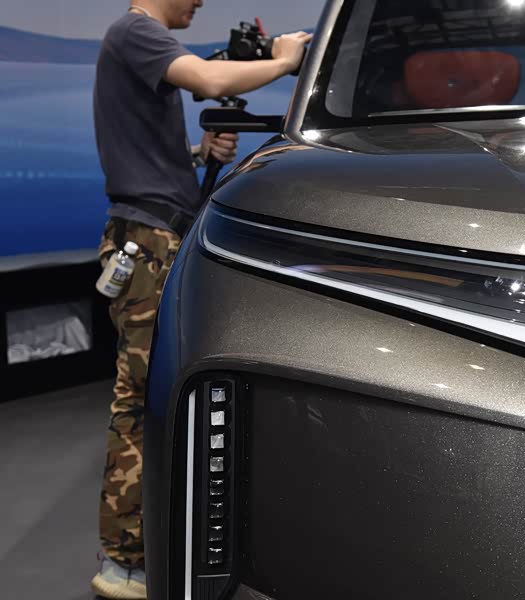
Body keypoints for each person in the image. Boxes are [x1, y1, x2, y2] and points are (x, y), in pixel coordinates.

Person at [91, 1, 311, 597]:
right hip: (147, 241)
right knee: (140, 400)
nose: (200, 2)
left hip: (150, 234)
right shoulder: (136, 31)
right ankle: (125, 563)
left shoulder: (134, 40)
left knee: (144, 396)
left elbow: (140, 152)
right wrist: (284, 60)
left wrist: (196, 155)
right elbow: (210, 80)